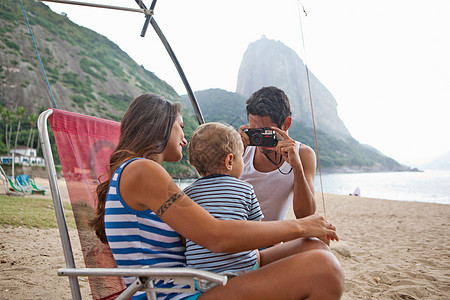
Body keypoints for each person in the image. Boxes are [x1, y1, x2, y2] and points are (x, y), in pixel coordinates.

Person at [91, 93, 344, 300]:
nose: (185, 139)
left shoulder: (138, 172)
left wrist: (303, 233)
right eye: (180, 127)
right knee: (325, 269)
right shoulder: (142, 171)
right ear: (161, 127)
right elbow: (216, 236)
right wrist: (300, 226)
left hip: (188, 283)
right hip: (174, 295)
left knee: (314, 246)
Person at [184, 122, 263, 291]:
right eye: (241, 156)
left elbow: (185, 238)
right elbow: (258, 232)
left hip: (200, 278)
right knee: (257, 253)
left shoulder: (187, 194)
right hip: (243, 273)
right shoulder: (245, 189)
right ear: (229, 161)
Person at [239, 86, 317, 222]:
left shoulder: (303, 154)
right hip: (238, 231)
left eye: (266, 132)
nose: (260, 139)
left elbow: (306, 215)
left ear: (286, 124)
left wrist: (297, 167)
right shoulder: (242, 149)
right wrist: (236, 154)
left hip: (271, 236)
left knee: (319, 238)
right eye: (254, 132)